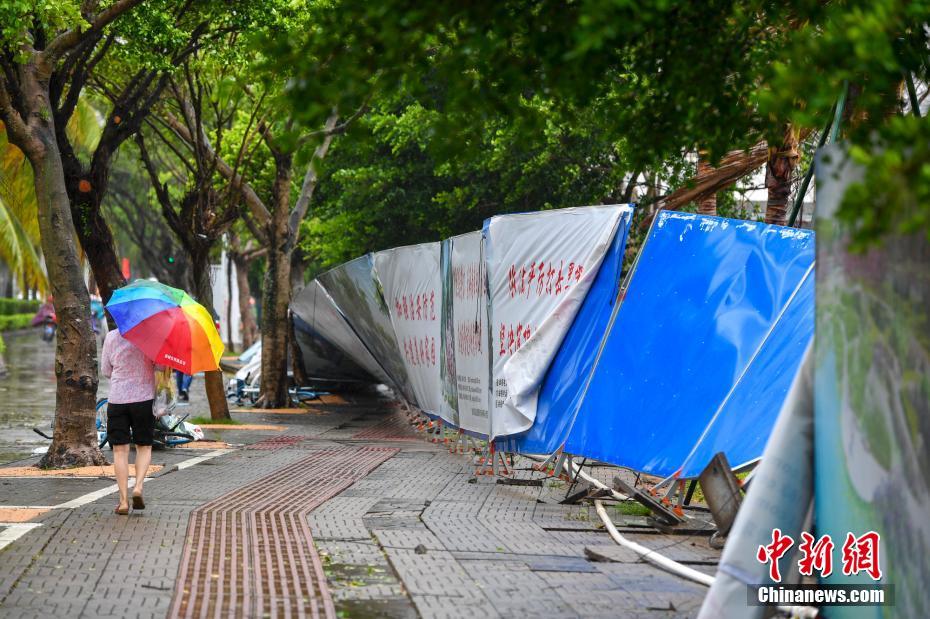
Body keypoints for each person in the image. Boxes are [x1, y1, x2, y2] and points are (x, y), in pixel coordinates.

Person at [100, 327, 157, 515]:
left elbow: (106, 370)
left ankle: (123, 501)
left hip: (117, 400)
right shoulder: (150, 336)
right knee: (144, 446)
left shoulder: (111, 337)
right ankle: (138, 486)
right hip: (143, 399)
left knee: (119, 450)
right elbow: (162, 367)